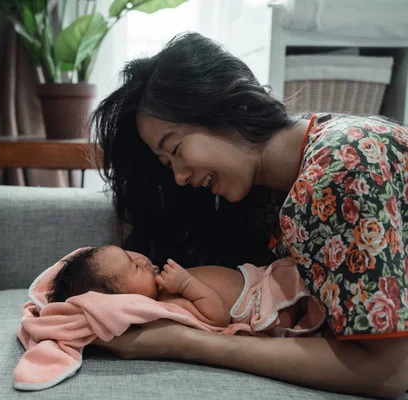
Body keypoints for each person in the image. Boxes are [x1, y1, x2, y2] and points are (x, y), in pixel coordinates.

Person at [89, 32, 408, 398]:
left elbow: (390, 370)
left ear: (229, 107)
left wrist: (184, 342)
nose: (178, 177)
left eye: (175, 148)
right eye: (166, 164)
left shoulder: (339, 168)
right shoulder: (274, 185)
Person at [46, 245, 320, 334]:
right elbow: (218, 317)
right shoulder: (168, 307)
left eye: (131, 254)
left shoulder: (164, 288)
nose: (142, 259)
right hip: (263, 305)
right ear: (126, 300)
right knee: (309, 301)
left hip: (262, 279)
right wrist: (187, 285)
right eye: (135, 267)